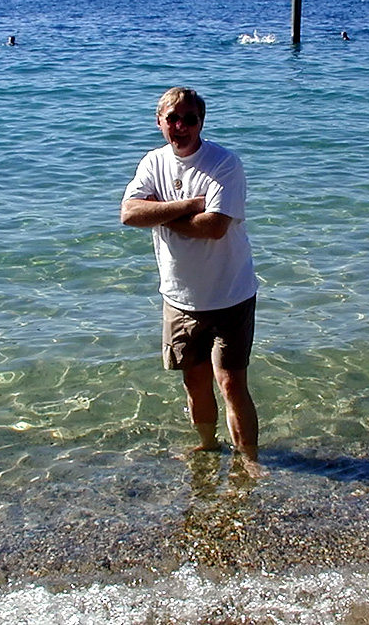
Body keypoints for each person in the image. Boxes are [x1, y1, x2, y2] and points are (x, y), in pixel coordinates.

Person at [121, 87, 261, 466]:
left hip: (230, 294)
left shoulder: (224, 164)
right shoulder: (153, 162)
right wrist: (187, 206)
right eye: (173, 119)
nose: (181, 126)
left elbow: (214, 227)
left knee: (231, 383)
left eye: (189, 119)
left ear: (202, 122)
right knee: (194, 382)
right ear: (159, 122)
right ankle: (208, 447)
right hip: (179, 297)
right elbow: (129, 214)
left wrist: (160, 213)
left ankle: (249, 461)